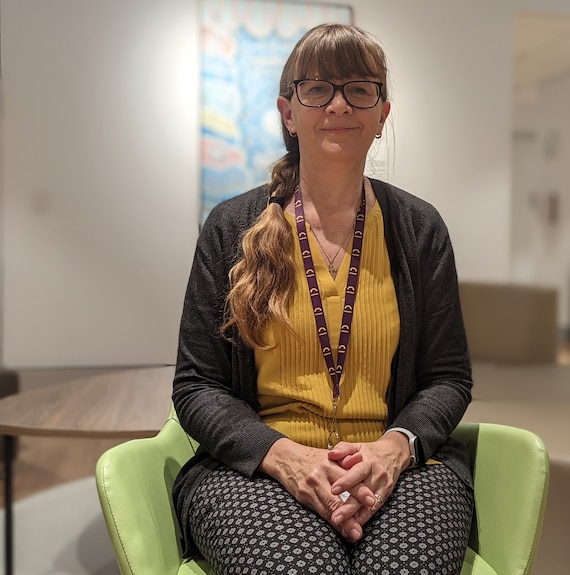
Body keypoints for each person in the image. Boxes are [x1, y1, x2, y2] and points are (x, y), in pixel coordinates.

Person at [171, 23, 474, 575]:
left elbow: (449, 377)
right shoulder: (229, 228)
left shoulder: (420, 228)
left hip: (395, 469)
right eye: (318, 88)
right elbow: (196, 386)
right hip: (260, 469)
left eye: (359, 88)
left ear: (382, 114)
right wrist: (283, 456)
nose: (339, 104)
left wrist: (395, 447)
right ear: (289, 112)